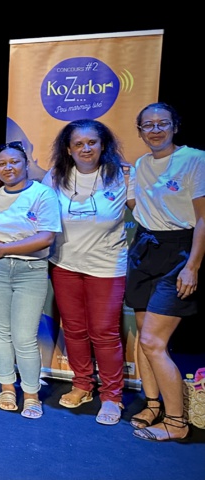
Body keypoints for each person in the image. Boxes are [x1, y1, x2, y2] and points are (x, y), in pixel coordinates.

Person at [42, 119, 128, 425]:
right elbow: (32, 207)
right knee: (75, 330)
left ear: (103, 145)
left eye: (92, 142)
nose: (86, 148)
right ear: (68, 149)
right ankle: (82, 385)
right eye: (78, 144)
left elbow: (148, 209)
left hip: (107, 267)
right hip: (65, 265)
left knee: (104, 332)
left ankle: (112, 396)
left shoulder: (121, 175)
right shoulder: (55, 176)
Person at [126, 102, 203, 442]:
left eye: (162, 123)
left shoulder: (195, 159)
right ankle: (153, 404)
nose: (155, 130)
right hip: (145, 249)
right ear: (140, 131)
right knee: (144, 338)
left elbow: (203, 219)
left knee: (154, 341)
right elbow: (138, 206)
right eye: (148, 125)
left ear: (175, 126)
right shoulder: (141, 164)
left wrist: (192, 266)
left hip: (179, 252)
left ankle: (176, 422)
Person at [0, 141, 61, 419]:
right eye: (2, 163)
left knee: (24, 337)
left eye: (14, 162)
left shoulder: (42, 194)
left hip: (31, 270)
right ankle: (7, 388)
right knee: (1, 332)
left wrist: (6, 248)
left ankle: (31, 394)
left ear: (26, 164)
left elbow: (46, 237)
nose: (8, 167)